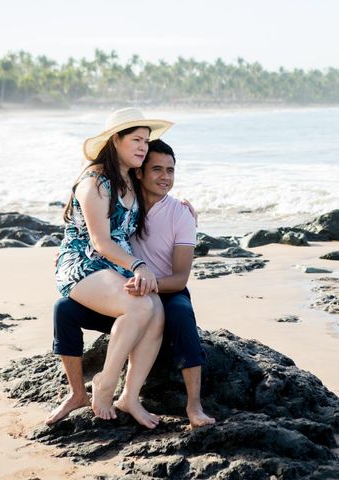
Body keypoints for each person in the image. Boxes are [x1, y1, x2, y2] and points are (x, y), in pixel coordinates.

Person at [48, 138, 216, 429]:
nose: (165, 177)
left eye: (171, 171)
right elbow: (96, 234)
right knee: (64, 309)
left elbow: (180, 277)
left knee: (169, 313)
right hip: (111, 272)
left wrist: (186, 212)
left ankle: (156, 400)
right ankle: (87, 390)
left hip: (148, 281)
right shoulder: (110, 185)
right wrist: (137, 270)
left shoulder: (164, 204)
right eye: (157, 169)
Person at [53, 107, 173, 429]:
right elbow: (100, 241)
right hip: (83, 263)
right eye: (136, 140)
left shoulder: (131, 179)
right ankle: (105, 384)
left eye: (146, 141)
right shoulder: (94, 183)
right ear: (115, 140)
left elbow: (157, 202)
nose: (143, 148)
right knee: (137, 306)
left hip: (116, 266)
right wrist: (139, 266)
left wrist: (184, 211)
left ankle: (130, 396)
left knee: (156, 311)